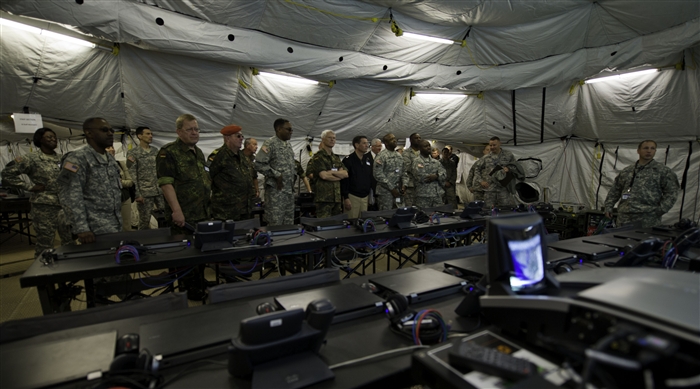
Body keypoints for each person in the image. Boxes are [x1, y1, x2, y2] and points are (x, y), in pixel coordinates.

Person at [2, 128, 71, 256]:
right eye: (49, 137)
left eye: (54, 137)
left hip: (64, 205)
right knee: (45, 243)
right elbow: (7, 174)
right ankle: (42, 273)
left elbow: (73, 176)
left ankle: (69, 271)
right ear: (40, 140)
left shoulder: (63, 159)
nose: (53, 139)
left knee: (69, 241)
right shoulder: (31, 158)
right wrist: (29, 187)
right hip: (44, 206)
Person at [57, 118, 122, 244]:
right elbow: (70, 195)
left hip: (113, 224)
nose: (110, 133)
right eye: (104, 130)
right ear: (89, 133)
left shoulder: (110, 159)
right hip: (91, 228)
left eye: (111, 130)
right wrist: (81, 228)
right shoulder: (77, 159)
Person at [156, 114, 211, 234]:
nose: (194, 133)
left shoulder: (199, 153)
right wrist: (176, 211)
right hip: (184, 217)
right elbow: (166, 184)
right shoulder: (169, 152)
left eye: (196, 129)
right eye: (189, 129)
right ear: (179, 132)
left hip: (203, 213)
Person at [604, 140, 680, 228]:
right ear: (638, 150)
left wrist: (661, 210)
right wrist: (608, 207)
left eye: (652, 148)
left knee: (644, 241)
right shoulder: (627, 171)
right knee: (622, 240)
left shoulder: (663, 171)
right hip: (624, 216)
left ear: (655, 151)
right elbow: (615, 190)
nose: (649, 151)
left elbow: (672, 192)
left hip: (648, 218)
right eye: (645, 148)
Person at [208, 125, 255, 221]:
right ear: (227, 138)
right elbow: (207, 178)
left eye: (242, 136)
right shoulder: (218, 156)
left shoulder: (242, 156)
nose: (241, 139)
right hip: (226, 211)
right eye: (238, 136)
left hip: (245, 209)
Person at [255, 118, 296, 225]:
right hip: (276, 194)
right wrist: (276, 174)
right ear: (279, 129)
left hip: (288, 192)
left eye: (292, 130)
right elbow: (259, 164)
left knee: (289, 224)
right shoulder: (270, 143)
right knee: (275, 224)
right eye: (288, 129)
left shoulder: (288, 145)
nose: (291, 132)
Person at [127, 126, 164, 230]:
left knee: (165, 218)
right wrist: (137, 194)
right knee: (144, 220)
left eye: (151, 134)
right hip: (145, 192)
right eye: (147, 134)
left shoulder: (155, 151)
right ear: (139, 136)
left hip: (159, 190)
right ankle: (143, 242)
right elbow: (132, 174)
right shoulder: (133, 153)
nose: (150, 136)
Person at [306, 130, 347, 218]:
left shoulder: (335, 158)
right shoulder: (318, 157)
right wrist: (339, 176)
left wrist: (331, 172)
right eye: (329, 138)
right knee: (324, 226)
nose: (332, 140)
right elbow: (324, 176)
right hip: (323, 199)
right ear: (323, 140)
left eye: (334, 138)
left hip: (337, 198)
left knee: (337, 225)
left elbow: (345, 174)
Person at [475, 136, 516, 208]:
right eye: (490, 145)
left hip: (503, 189)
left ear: (500, 144)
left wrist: (509, 168)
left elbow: (515, 166)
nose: (492, 147)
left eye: (494, 145)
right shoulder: (486, 157)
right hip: (490, 189)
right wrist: (481, 181)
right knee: (488, 210)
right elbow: (477, 169)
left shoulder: (508, 155)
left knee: (505, 210)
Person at [341, 135, 373, 218]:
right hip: (352, 196)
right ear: (357, 145)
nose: (367, 145)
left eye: (367, 143)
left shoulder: (368, 159)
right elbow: (344, 181)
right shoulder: (348, 160)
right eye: (364, 143)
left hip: (365, 196)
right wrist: (346, 197)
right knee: (351, 222)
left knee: (363, 222)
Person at [106, 146, 135, 231]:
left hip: (124, 197)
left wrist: (119, 182)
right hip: (108, 200)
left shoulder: (120, 164)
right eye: (108, 148)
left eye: (112, 147)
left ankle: (127, 243)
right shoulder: (97, 165)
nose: (112, 149)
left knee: (126, 226)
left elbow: (130, 182)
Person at [373, 133, 405, 210]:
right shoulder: (381, 156)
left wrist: (404, 185)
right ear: (386, 143)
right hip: (385, 193)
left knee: (400, 213)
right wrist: (391, 188)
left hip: (398, 192)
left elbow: (404, 172)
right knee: (386, 216)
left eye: (395, 138)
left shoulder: (399, 156)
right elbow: (378, 174)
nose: (394, 140)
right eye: (391, 139)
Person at [412, 140, 446, 209]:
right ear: (420, 148)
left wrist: (436, 176)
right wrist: (434, 176)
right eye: (425, 146)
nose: (428, 148)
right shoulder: (417, 161)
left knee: (438, 216)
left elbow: (444, 175)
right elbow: (420, 177)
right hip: (423, 196)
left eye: (429, 146)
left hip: (436, 195)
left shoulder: (436, 162)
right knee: (424, 217)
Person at [402, 133, 422, 206]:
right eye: (416, 138)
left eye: (419, 138)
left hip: (421, 185)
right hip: (411, 185)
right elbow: (407, 167)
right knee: (410, 207)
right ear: (411, 140)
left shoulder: (422, 152)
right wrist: (421, 168)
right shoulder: (406, 153)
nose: (418, 139)